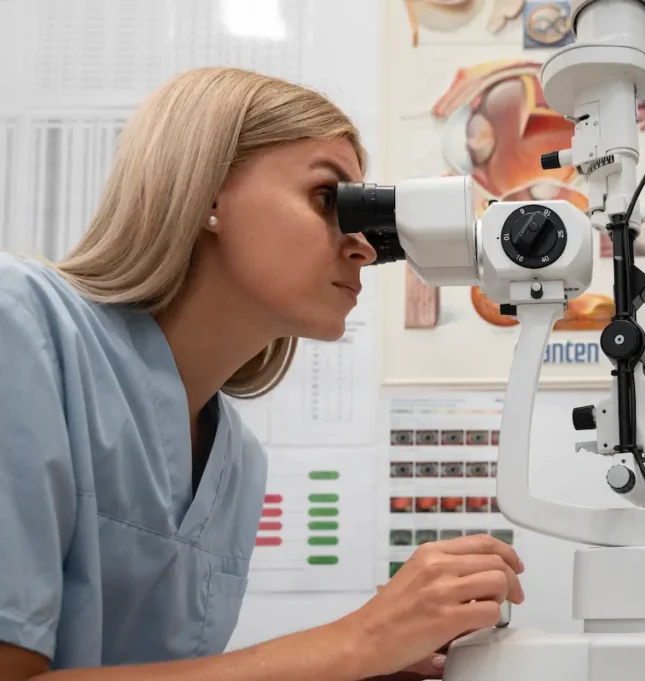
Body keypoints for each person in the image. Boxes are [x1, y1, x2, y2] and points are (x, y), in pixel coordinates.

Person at [0, 67, 525, 681]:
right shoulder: (21, 326)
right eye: (328, 199)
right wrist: (352, 644)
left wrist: (355, 668)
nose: (362, 246)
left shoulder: (235, 461)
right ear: (207, 194)